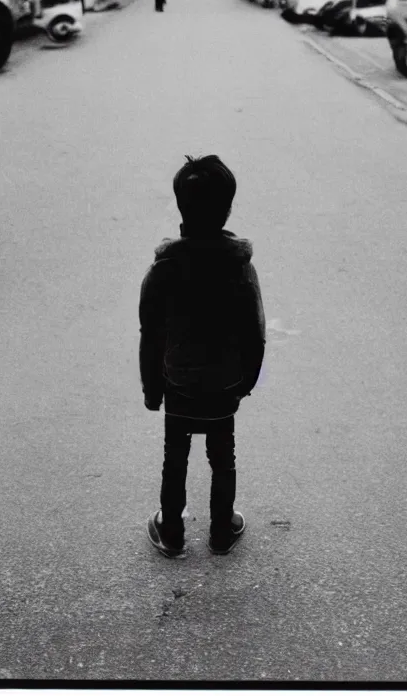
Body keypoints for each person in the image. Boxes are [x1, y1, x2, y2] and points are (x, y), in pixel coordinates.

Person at [139, 155, 266, 559]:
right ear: (227, 208)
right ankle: (220, 530)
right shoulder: (239, 268)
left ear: (180, 206)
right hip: (224, 384)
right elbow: (255, 332)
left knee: (174, 457)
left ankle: (172, 530)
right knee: (222, 456)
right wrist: (246, 381)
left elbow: (151, 333)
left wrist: (151, 388)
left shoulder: (165, 268)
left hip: (177, 383)